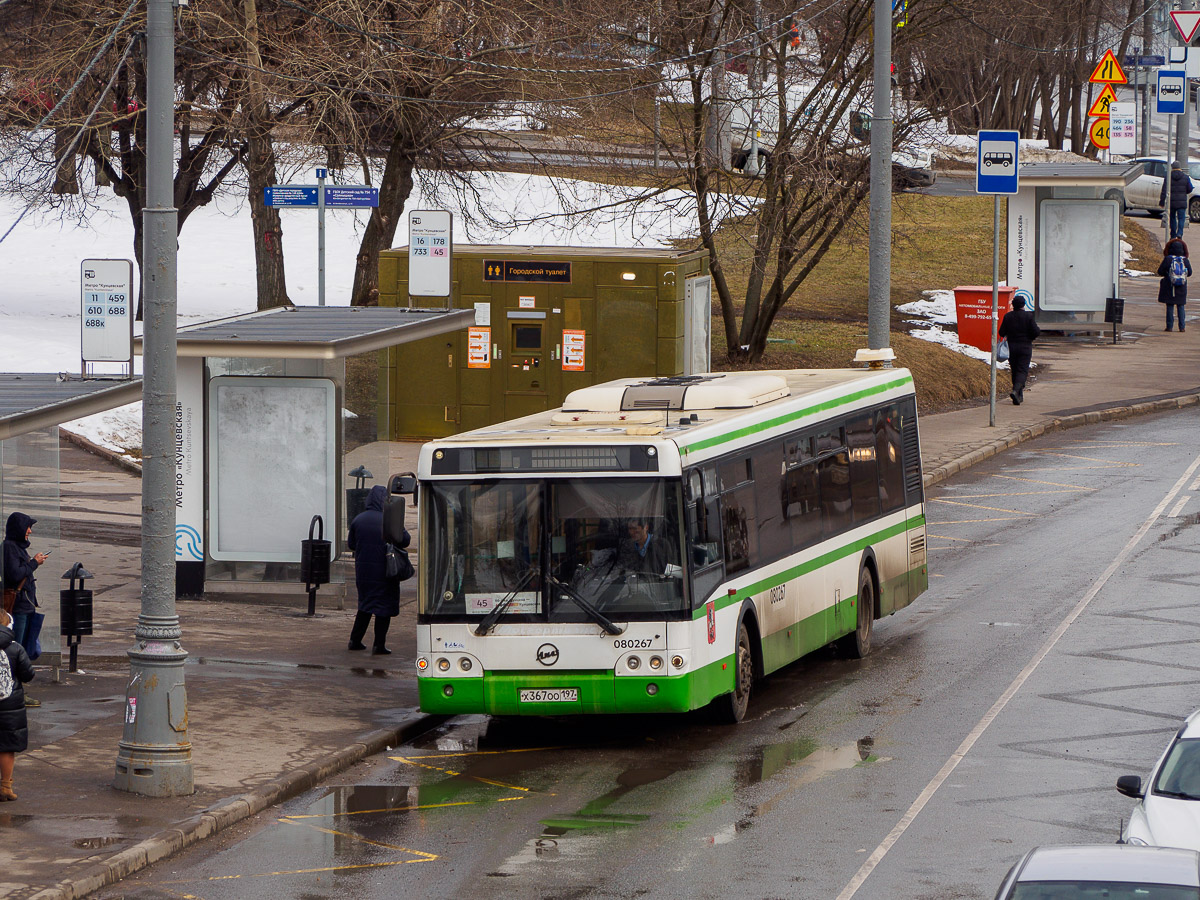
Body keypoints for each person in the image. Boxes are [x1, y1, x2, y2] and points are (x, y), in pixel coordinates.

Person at [347, 485, 405, 655]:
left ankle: (355, 640)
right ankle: (379, 645)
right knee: (383, 608)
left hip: (363, 573)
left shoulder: (358, 519)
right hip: (385, 571)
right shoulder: (388, 518)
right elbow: (404, 539)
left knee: (365, 605)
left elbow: (351, 544)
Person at [2, 513, 45, 708]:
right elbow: (16, 573)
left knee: (24, 649)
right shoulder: (9, 548)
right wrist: (34, 563)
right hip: (18, 607)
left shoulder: (16, 547)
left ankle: (17, 690)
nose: (30, 531)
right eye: (27, 527)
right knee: (16, 650)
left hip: (25, 606)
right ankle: (15, 692)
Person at [0, 609, 35, 801]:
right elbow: (28, 675)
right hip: (10, 705)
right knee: (6, 747)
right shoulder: (15, 648)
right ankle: (5, 787)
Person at [998, 294, 1041, 406]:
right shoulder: (1028, 316)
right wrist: (1030, 338)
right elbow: (1036, 331)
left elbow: (1001, 332)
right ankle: (1016, 391)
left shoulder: (1008, 316)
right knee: (1022, 370)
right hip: (1025, 347)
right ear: (1023, 305)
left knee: (1015, 370)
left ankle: (1018, 396)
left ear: (1013, 305)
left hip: (1011, 347)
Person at [1157, 237, 1192, 332]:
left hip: (1170, 286)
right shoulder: (1185, 260)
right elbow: (1190, 273)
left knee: (1170, 305)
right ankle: (1182, 327)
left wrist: (1167, 275)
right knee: (1181, 306)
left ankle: (1169, 326)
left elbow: (1160, 271)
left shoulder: (1168, 259)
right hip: (1181, 286)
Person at [1159, 160, 1194, 240]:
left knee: (1172, 218)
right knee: (1181, 218)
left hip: (1172, 202)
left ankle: (1173, 234)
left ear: (1172, 167)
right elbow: (1189, 189)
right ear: (1180, 167)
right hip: (1182, 202)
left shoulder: (1168, 177)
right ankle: (1180, 233)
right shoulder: (1185, 177)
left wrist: (1162, 202)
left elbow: (1164, 190)